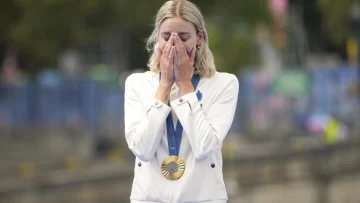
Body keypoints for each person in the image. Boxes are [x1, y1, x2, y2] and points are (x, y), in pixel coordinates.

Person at [124, 0, 239, 202]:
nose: (173, 44)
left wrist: (186, 84)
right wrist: (165, 85)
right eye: (166, 37)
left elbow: (205, 147)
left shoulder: (224, 84)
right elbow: (142, 149)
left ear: (199, 38)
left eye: (184, 37)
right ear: (157, 37)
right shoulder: (137, 83)